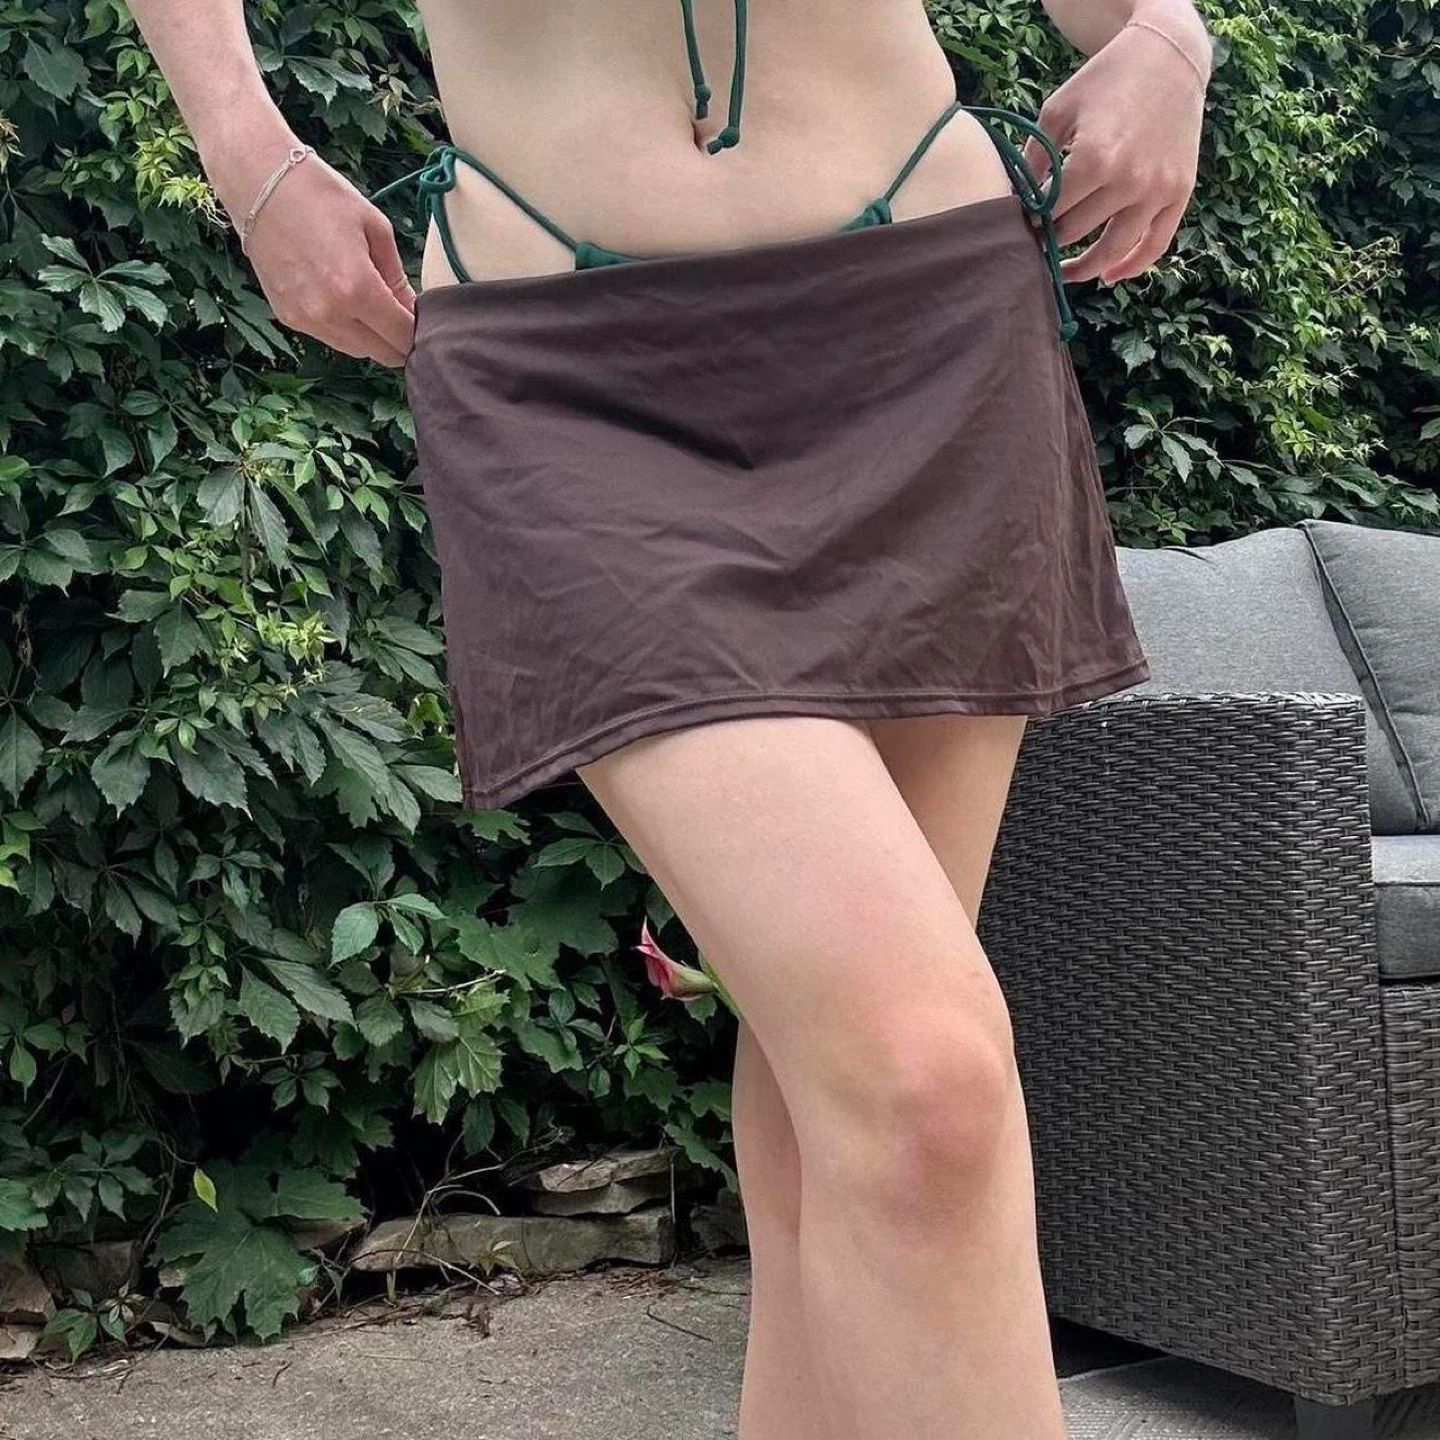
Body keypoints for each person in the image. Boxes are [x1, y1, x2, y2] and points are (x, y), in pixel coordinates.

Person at [129, 2, 1209, 1435]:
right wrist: (244, 148)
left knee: (840, 1098)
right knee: (925, 1086)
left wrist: (1168, 37)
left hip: (935, 312)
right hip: (565, 363)